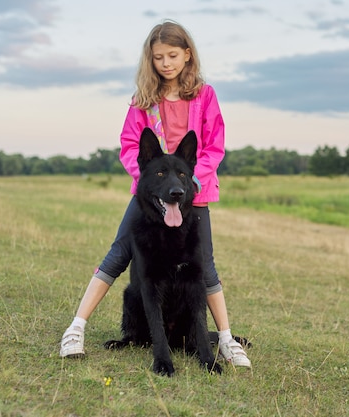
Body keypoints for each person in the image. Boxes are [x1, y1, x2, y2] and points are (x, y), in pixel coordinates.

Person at [60, 20, 251, 368]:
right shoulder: (143, 100)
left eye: (172, 55)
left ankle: (226, 340)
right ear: (150, 60)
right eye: (158, 57)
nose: (165, 63)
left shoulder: (204, 96)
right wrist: (145, 180)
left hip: (193, 193)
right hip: (148, 198)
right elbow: (129, 145)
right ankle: (76, 328)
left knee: (204, 265)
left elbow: (214, 146)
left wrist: (195, 181)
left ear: (188, 55)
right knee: (118, 254)